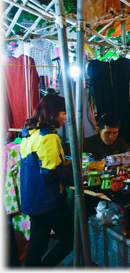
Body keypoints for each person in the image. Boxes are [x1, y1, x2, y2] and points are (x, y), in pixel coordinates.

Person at [19, 94, 74, 266]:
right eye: (63, 112)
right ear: (52, 113)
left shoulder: (29, 135)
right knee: (71, 239)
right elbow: (50, 174)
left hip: (33, 202)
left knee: (37, 247)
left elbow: (38, 167)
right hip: (49, 202)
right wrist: (72, 171)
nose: (66, 117)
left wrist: (64, 163)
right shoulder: (48, 137)